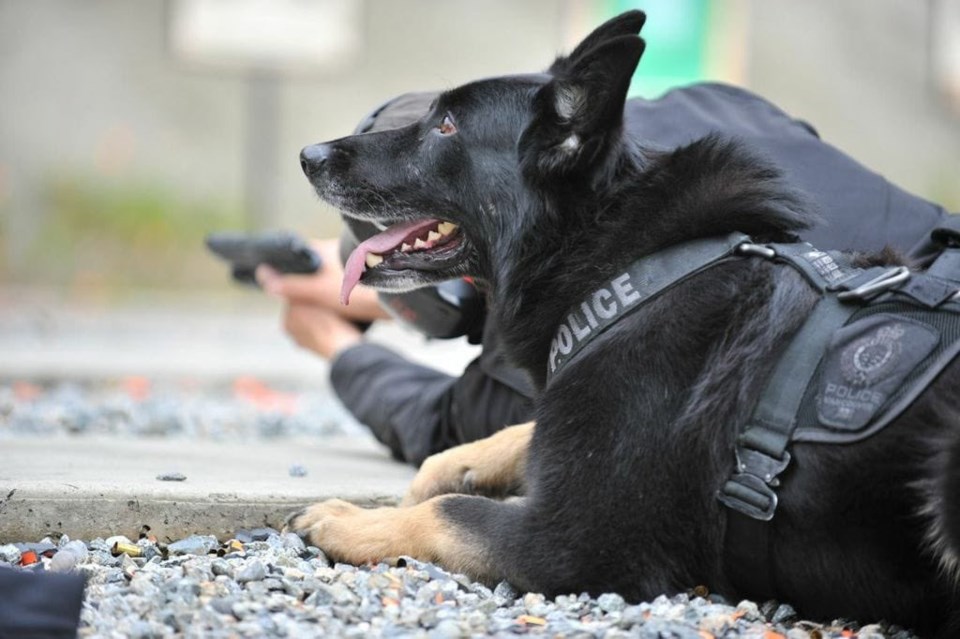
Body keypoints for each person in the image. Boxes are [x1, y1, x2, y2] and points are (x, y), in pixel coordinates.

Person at [258, 84, 960, 467]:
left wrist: (336, 346)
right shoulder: (693, 107)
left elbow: (441, 424)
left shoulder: (584, 323)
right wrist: (372, 270)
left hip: (908, 398)